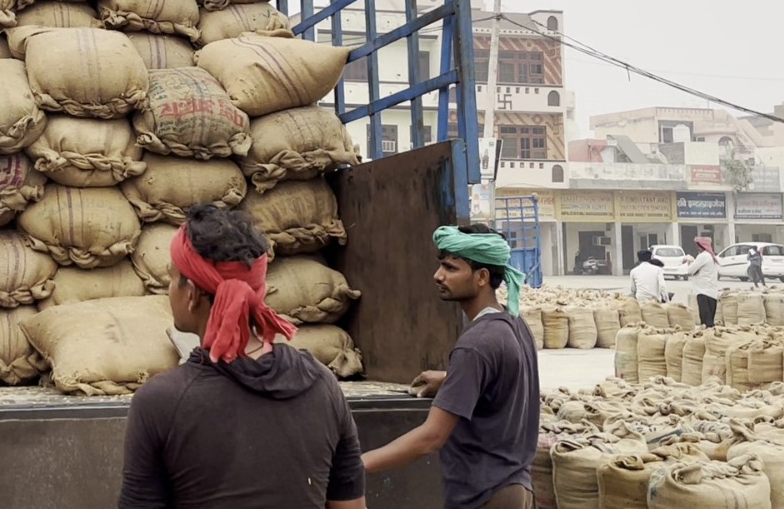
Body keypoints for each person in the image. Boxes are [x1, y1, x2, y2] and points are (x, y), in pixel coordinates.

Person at [119, 204, 365, 509]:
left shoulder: (161, 402)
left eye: (172, 277)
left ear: (192, 293)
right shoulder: (322, 385)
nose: (169, 290)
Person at [362, 224, 539, 509]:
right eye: (440, 266)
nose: (438, 275)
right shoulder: (513, 323)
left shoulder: (476, 344)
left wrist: (359, 464)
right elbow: (503, 379)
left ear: (482, 277)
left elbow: (431, 437)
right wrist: (450, 380)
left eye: (451, 268)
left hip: (485, 495)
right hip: (515, 487)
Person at [687, 237, 720, 327]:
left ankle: (707, 339)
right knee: (710, 321)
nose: (697, 248)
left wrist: (689, 263)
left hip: (704, 292)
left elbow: (690, 270)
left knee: (705, 322)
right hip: (712, 293)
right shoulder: (711, 256)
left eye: (698, 246)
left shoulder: (703, 256)